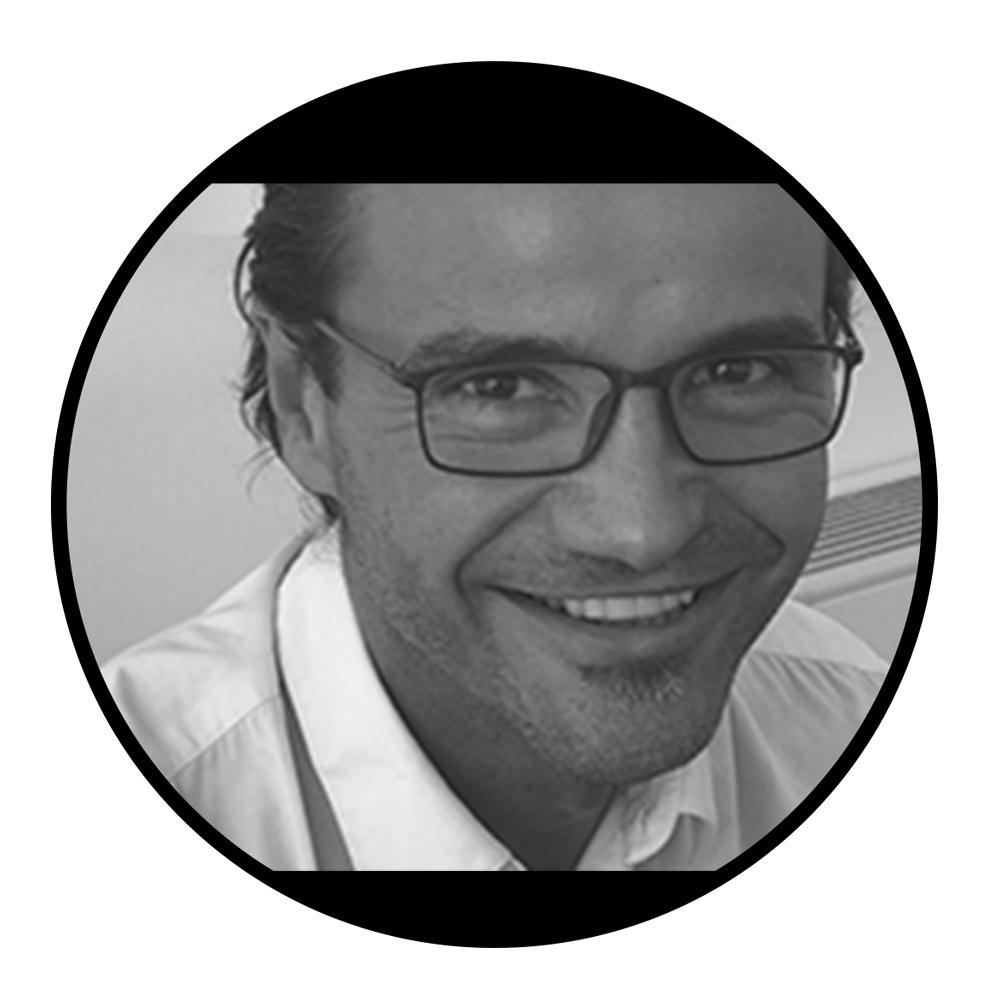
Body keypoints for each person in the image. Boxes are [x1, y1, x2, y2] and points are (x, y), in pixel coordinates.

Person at [50, 184, 930, 871]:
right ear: (301, 405)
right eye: (500, 388)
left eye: (740, 371)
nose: (641, 532)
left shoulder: (852, 740)